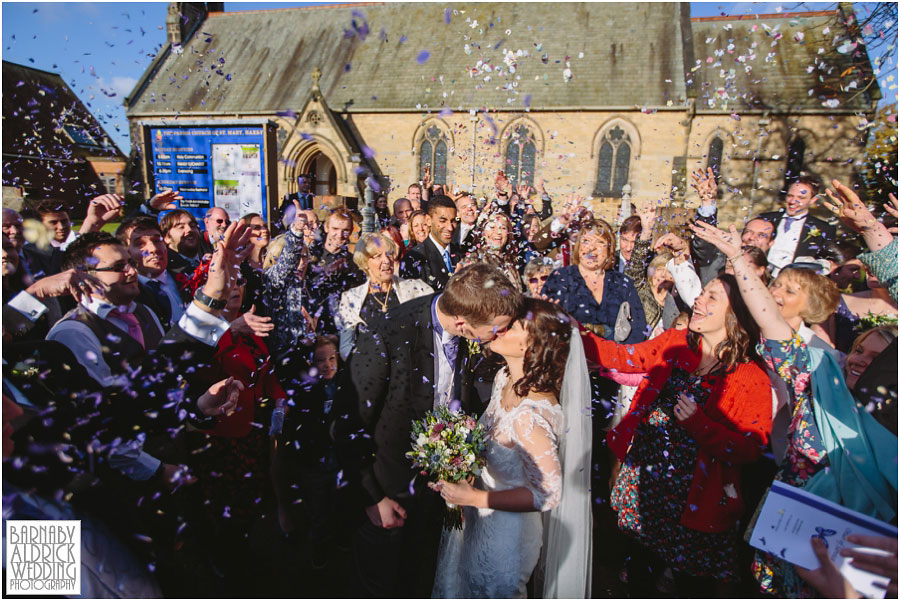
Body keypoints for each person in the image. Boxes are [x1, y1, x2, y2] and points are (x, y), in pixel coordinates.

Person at [691, 219, 897, 597]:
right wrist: (736, 257)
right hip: (783, 538)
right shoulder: (820, 378)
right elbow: (771, 322)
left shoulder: (890, 431)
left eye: (876, 359)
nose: (860, 361)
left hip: (854, 557)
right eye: (858, 351)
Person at [580, 272, 772, 597]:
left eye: (712, 297)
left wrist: (700, 425)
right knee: (638, 572)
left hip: (694, 502)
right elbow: (624, 357)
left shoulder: (750, 377)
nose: (699, 300)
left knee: (689, 587)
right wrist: (572, 334)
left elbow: (750, 448)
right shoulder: (677, 342)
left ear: (736, 314)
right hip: (646, 486)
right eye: (702, 293)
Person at [347, 263, 522, 597]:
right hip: (389, 494)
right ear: (461, 322)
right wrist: (372, 498)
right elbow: (348, 425)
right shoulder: (386, 333)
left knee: (421, 580)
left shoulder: (464, 330)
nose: (496, 337)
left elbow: (461, 400)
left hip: (438, 497)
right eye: (494, 330)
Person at [431, 298, 592, 598]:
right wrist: (456, 464)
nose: (500, 328)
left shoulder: (530, 417)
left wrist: (476, 497)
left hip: (506, 537)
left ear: (533, 346)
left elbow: (548, 492)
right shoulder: (504, 379)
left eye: (513, 326)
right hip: (477, 523)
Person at [541, 218, 646, 345]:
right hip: (569, 356)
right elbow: (544, 325)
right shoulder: (560, 278)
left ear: (609, 249)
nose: (591, 248)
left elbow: (638, 329)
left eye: (599, 242)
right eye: (586, 241)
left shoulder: (621, 283)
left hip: (613, 358)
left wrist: (618, 356)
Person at [336, 232, 433, 359]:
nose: (386, 261)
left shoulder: (417, 289)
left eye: (389, 254)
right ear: (365, 262)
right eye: (377, 256)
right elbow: (345, 348)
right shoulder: (350, 298)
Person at [116, 215, 187, 330]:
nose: (153, 249)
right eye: (140, 244)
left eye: (156, 240)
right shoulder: (126, 293)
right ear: (126, 252)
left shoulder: (187, 274)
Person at [760, 175, 835, 274]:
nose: (792, 202)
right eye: (790, 196)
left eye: (801, 197)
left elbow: (823, 263)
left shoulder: (823, 229)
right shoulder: (766, 219)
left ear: (812, 200)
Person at [399, 195, 460, 291]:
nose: (450, 228)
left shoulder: (460, 254)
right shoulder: (414, 258)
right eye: (442, 221)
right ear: (428, 220)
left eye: (453, 221)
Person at [458, 211, 523, 292]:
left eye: (503, 228)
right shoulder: (474, 261)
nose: (498, 232)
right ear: (482, 232)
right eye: (492, 227)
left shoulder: (511, 260)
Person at [160, 209, 202, 274]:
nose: (189, 230)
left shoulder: (210, 259)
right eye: (181, 227)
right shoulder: (164, 269)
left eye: (192, 225)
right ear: (166, 238)